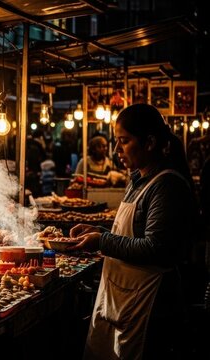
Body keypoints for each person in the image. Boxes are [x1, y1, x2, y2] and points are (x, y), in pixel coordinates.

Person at [69, 104, 198, 359]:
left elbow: (156, 247)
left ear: (149, 142)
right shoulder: (139, 179)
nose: (117, 150)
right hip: (122, 297)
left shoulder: (166, 185)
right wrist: (97, 230)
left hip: (150, 305)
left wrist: (102, 240)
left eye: (124, 141)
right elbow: (132, 235)